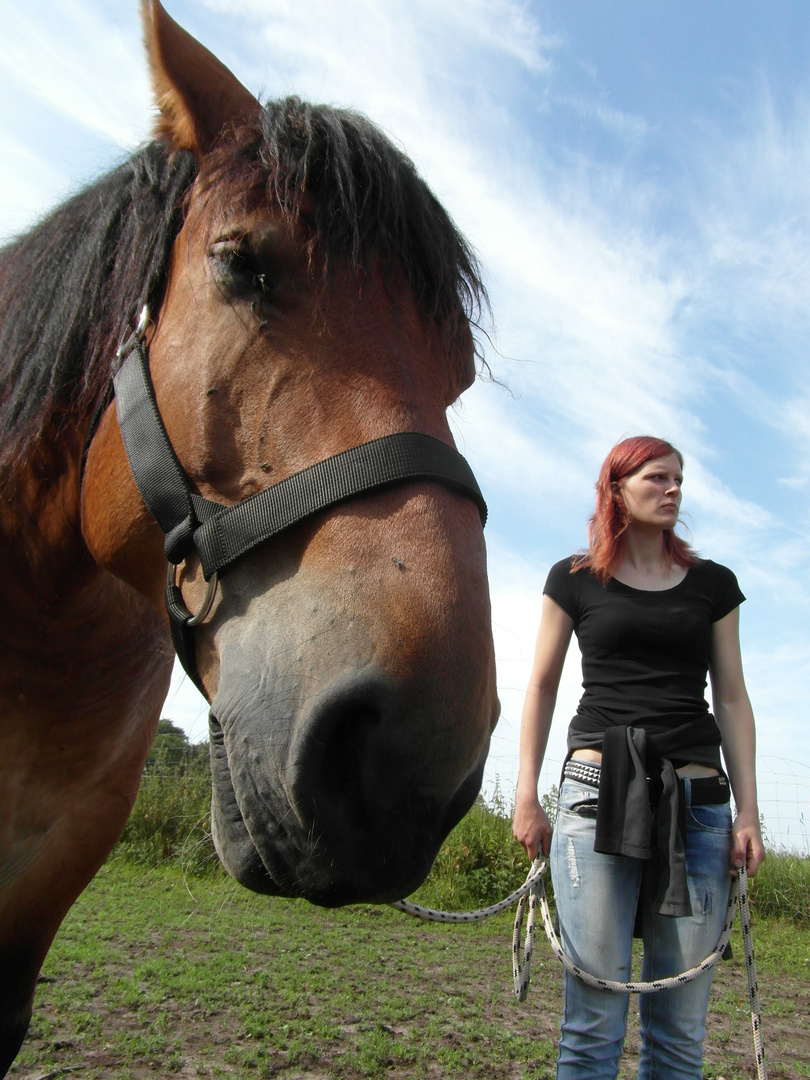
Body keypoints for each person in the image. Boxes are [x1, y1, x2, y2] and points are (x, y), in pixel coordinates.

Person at [512, 434, 765, 1080]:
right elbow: (540, 685)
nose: (674, 489)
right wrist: (525, 794)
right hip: (596, 793)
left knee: (680, 1034)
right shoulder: (573, 579)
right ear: (617, 488)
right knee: (592, 1025)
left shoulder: (714, 585)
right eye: (657, 477)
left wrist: (749, 814)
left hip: (699, 806)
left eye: (679, 479)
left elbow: (732, 698)